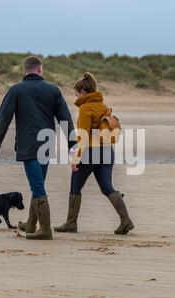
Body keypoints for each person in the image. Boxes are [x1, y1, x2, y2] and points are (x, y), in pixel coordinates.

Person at [0, 56, 75, 240]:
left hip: (28, 145)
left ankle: (45, 229)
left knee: (37, 187)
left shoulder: (16, 90)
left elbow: (3, 118)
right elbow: (65, 119)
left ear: (25, 71)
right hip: (46, 144)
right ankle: (31, 224)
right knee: (38, 184)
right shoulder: (53, 90)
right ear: (40, 70)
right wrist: (72, 144)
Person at [54, 72, 134, 235]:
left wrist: (76, 158)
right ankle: (126, 220)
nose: (75, 97)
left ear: (83, 92)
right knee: (107, 187)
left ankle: (71, 223)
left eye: (76, 93)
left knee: (75, 187)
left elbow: (82, 135)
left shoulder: (85, 108)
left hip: (90, 152)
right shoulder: (104, 106)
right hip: (106, 151)